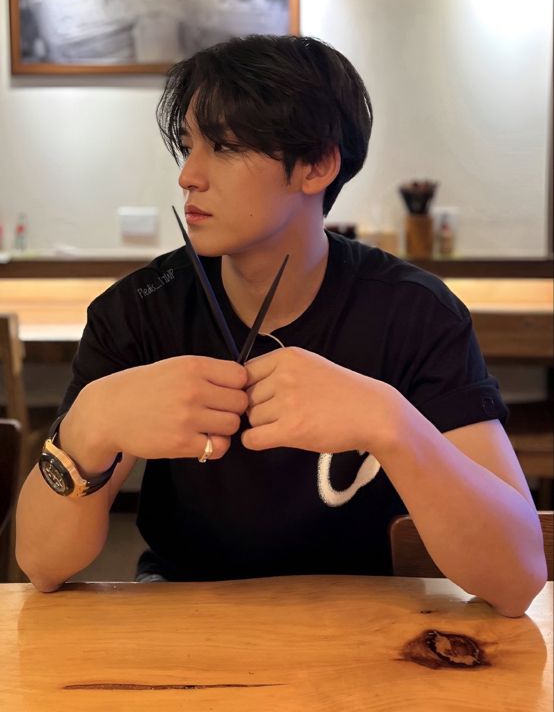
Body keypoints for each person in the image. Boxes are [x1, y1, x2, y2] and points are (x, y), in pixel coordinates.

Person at [16, 35, 546, 614]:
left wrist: (390, 422)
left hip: (371, 625)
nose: (188, 176)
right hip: (184, 620)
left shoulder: (414, 313)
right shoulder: (140, 309)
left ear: (317, 164)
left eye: (223, 146)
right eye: (188, 146)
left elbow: (517, 576)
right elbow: (41, 564)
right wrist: (89, 427)